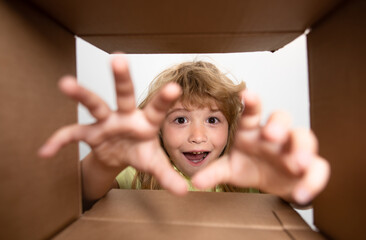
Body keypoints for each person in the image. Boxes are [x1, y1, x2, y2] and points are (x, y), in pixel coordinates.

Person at [38, 55, 330, 208]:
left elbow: (304, 199)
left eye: (213, 120)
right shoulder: (138, 174)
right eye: (180, 120)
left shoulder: (247, 178)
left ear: (231, 129)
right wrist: (103, 162)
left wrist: (295, 182)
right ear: (158, 130)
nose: (198, 136)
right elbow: (82, 197)